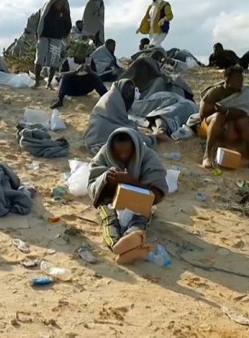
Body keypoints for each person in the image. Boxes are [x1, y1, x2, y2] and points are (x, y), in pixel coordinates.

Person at [88, 128, 168, 264]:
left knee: (140, 220)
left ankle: (132, 238)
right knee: (109, 220)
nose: (123, 157)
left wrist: (131, 182)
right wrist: (106, 179)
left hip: (139, 203)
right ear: (112, 149)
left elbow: (158, 194)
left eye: (127, 153)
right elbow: (93, 186)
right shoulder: (104, 154)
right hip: (110, 202)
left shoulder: (148, 157)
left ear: (135, 148)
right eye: (119, 153)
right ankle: (117, 247)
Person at [199, 66, 249, 172]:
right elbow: (203, 115)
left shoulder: (245, 92)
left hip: (235, 124)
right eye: (237, 80)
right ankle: (207, 156)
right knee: (218, 117)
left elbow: (247, 112)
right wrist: (222, 113)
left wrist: (228, 112)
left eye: (241, 80)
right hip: (215, 124)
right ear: (227, 80)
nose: (240, 82)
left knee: (244, 120)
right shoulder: (215, 92)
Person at [84, 79, 157, 153]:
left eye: (131, 91)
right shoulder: (114, 100)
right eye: (127, 91)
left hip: (95, 133)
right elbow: (121, 122)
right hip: (104, 130)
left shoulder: (113, 96)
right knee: (143, 140)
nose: (129, 93)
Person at [32, 0, 72, 88]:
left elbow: (68, 25)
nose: (60, 4)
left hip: (56, 39)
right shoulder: (47, 9)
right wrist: (37, 33)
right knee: (39, 60)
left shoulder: (64, 12)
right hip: (44, 37)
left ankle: (49, 83)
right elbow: (38, 21)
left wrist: (63, 34)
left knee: (54, 61)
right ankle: (37, 82)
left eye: (62, 2)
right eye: (59, 2)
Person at [50, 44, 107, 109]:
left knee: (95, 77)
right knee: (65, 78)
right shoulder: (69, 61)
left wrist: (90, 71)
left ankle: (106, 97)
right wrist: (75, 72)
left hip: (85, 88)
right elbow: (61, 74)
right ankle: (60, 100)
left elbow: (97, 75)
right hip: (71, 89)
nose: (81, 55)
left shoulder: (89, 61)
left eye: (83, 53)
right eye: (79, 53)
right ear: (75, 53)